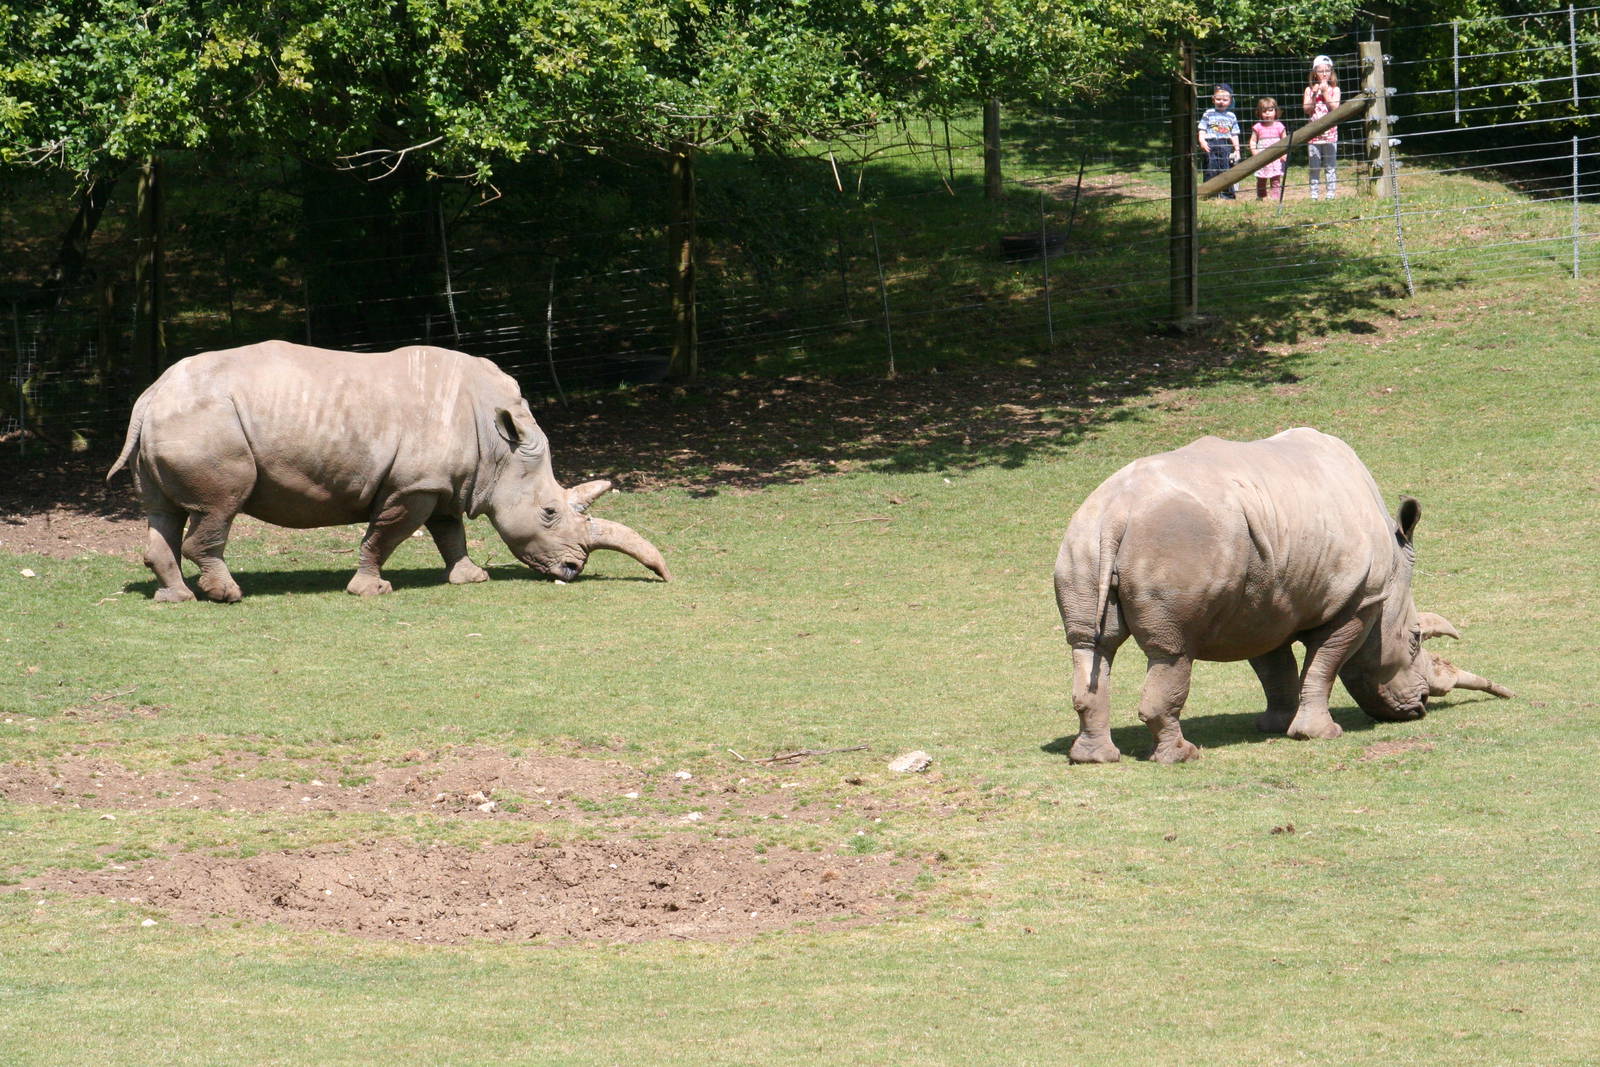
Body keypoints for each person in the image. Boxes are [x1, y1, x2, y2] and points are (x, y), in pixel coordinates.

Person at [1303, 55, 1341, 200]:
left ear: (1331, 72)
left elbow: (1335, 108)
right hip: (1313, 135)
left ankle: (1331, 193)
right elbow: (1307, 109)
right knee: (1314, 166)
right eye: (1320, 71)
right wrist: (1314, 94)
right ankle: (1314, 194)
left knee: (1330, 165)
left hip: (1330, 134)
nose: (1324, 74)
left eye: (1327, 71)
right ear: (1314, 73)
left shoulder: (1335, 89)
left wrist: (1325, 92)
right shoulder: (1309, 90)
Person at [1198, 83, 1241, 200]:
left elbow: (1234, 134)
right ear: (1213, 99)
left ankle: (1227, 195)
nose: (1221, 102)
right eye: (1218, 99)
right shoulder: (1208, 113)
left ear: (1230, 101)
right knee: (1210, 169)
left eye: (1225, 100)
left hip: (1225, 144)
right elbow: (1202, 129)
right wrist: (1202, 141)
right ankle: (1208, 194)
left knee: (1225, 169)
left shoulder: (1231, 116)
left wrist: (1237, 149)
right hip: (1210, 144)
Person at [1250, 97, 1287, 200]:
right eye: (1264, 111)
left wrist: (1284, 154)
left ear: (1276, 111)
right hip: (1262, 157)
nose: (1267, 113)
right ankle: (1261, 197)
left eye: (1270, 110)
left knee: (1275, 179)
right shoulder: (1258, 127)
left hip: (1276, 158)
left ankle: (1275, 198)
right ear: (1259, 113)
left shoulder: (1279, 126)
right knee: (1261, 179)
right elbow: (1253, 141)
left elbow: (1285, 142)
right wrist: (1254, 152)